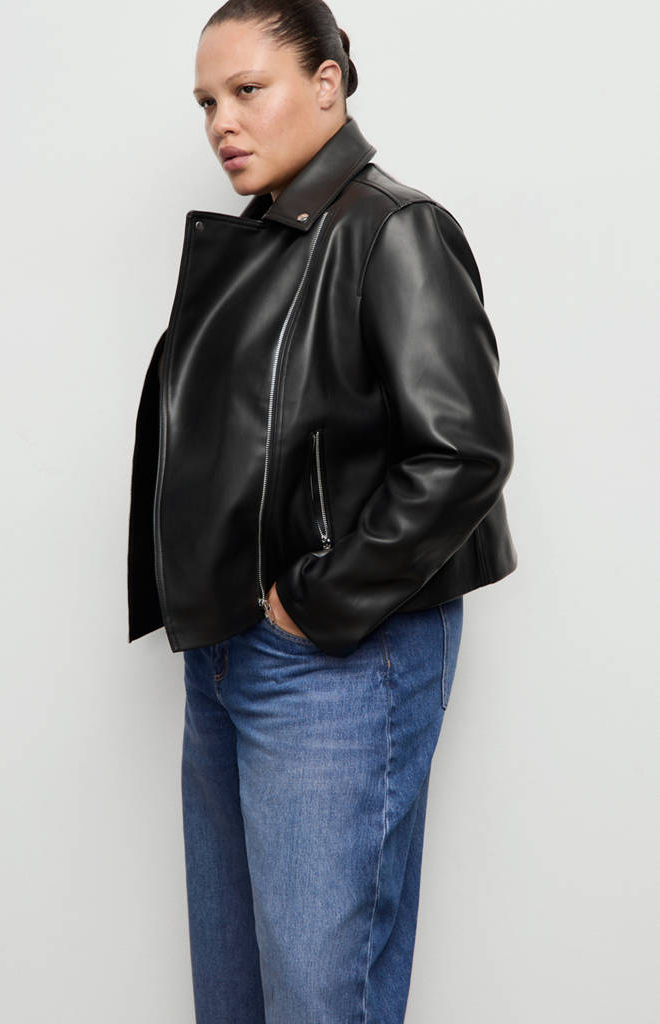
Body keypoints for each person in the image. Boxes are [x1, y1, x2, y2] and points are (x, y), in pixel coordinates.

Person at [127, 1, 518, 1021]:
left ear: (328, 83)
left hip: (336, 659)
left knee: (315, 999)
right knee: (235, 995)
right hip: (228, 652)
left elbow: (463, 451)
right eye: (206, 102)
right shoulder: (269, 240)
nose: (221, 122)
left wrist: (313, 603)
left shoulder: (392, 229)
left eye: (246, 90)